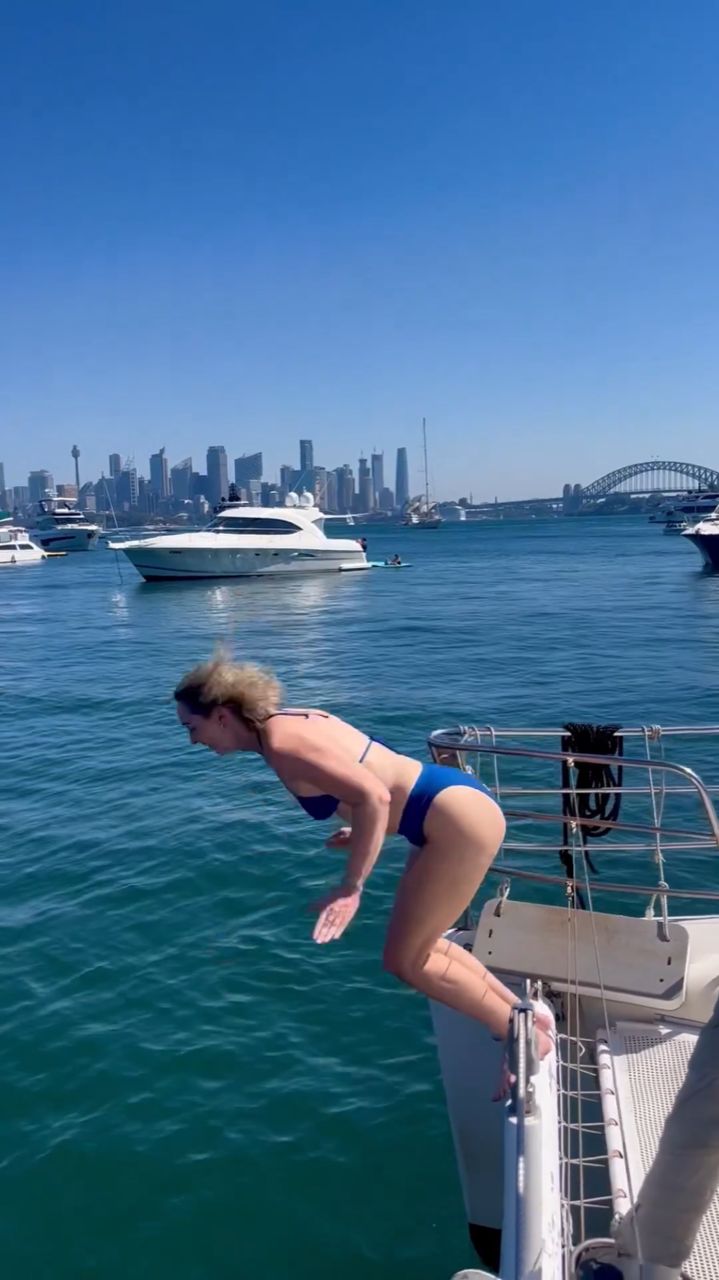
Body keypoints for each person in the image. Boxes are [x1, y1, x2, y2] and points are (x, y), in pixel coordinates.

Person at [173, 656, 554, 1056]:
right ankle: (524, 1016)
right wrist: (362, 831)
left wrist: (351, 887)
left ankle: (527, 1041)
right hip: (445, 802)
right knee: (419, 945)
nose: (193, 741)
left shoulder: (283, 746)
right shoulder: (294, 720)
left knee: (406, 962)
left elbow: (374, 795)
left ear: (221, 716)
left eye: (191, 727)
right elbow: (376, 766)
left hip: (455, 821)